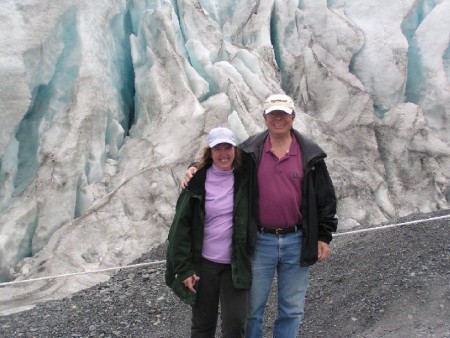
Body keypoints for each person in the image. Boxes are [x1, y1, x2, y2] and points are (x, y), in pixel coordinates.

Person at [182, 94, 338, 338]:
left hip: (297, 240)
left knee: (292, 311)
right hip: (259, 241)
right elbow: (221, 158)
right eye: (273, 114)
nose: (279, 119)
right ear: (264, 118)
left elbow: (325, 197)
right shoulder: (250, 151)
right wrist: (194, 167)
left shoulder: (310, 155)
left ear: (293, 117)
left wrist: (324, 236)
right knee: (251, 311)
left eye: (284, 114)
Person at [165, 127, 253, 338]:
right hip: (204, 265)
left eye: (228, 148)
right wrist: (184, 269)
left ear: (235, 149)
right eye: (218, 149)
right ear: (210, 152)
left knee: (235, 323)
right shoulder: (197, 182)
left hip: (235, 263)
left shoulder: (245, 177)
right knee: (203, 325)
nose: (224, 154)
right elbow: (180, 228)